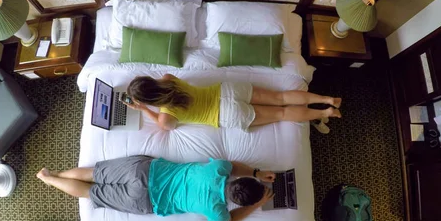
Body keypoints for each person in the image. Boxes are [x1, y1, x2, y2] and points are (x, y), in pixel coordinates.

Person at [36, 156, 276, 221]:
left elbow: (234, 166)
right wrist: (255, 205)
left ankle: (52, 174)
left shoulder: (219, 168)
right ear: (237, 201)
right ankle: (50, 181)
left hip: (145, 171)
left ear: (237, 181)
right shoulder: (217, 211)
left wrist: (256, 173)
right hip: (146, 200)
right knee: (91, 193)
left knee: (93, 173)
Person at [125, 74, 342, 131]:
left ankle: (326, 113)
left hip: (226, 115)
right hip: (226, 90)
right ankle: (327, 99)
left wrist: (145, 109)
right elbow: (163, 80)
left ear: (147, 100)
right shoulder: (168, 79)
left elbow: (166, 127)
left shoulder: (165, 117)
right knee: (281, 98)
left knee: (282, 114)